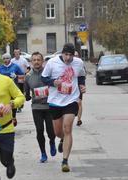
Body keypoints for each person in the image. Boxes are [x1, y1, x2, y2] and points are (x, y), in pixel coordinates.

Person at [41, 43, 86, 172]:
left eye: (70, 55)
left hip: (71, 99)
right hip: (55, 100)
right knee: (58, 132)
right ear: (62, 53)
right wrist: (52, 82)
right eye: (65, 55)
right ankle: (61, 139)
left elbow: (81, 75)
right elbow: (43, 78)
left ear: (74, 55)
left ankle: (65, 161)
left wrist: (82, 85)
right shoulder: (52, 63)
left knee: (67, 128)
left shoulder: (78, 62)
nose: (67, 58)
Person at [25, 52, 57, 163]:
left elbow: (55, 86)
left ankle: (52, 142)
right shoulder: (28, 76)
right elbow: (26, 94)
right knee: (39, 131)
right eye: (34, 60)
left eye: (39, 60)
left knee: (51, 131)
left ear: (42, 61)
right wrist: (26, 96)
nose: (36, 62)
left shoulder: (48, 73)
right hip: (36, 107)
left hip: (49, 106)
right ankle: (43, 153)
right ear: (31, 62)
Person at [0, 53, 24, 126]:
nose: (6, 60)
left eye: (7, 58)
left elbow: (22, 76)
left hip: (13, 88)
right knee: (4, 103)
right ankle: (5, 119)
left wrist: (16, 76)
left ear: (10, 59)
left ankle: (13, 117)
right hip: (3, 89)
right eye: (4, 59)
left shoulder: (15, 66)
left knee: (12, 103)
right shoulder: (0, 68)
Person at [74, 50, 86, 126]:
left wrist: (82, 85)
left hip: (78, 85)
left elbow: (84, 75)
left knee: (79, 102)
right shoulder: (67, 63)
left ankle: (79, 119)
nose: (75, 57)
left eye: (77, 55)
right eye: (74, 55)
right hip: (69, 86)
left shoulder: (80, 63)